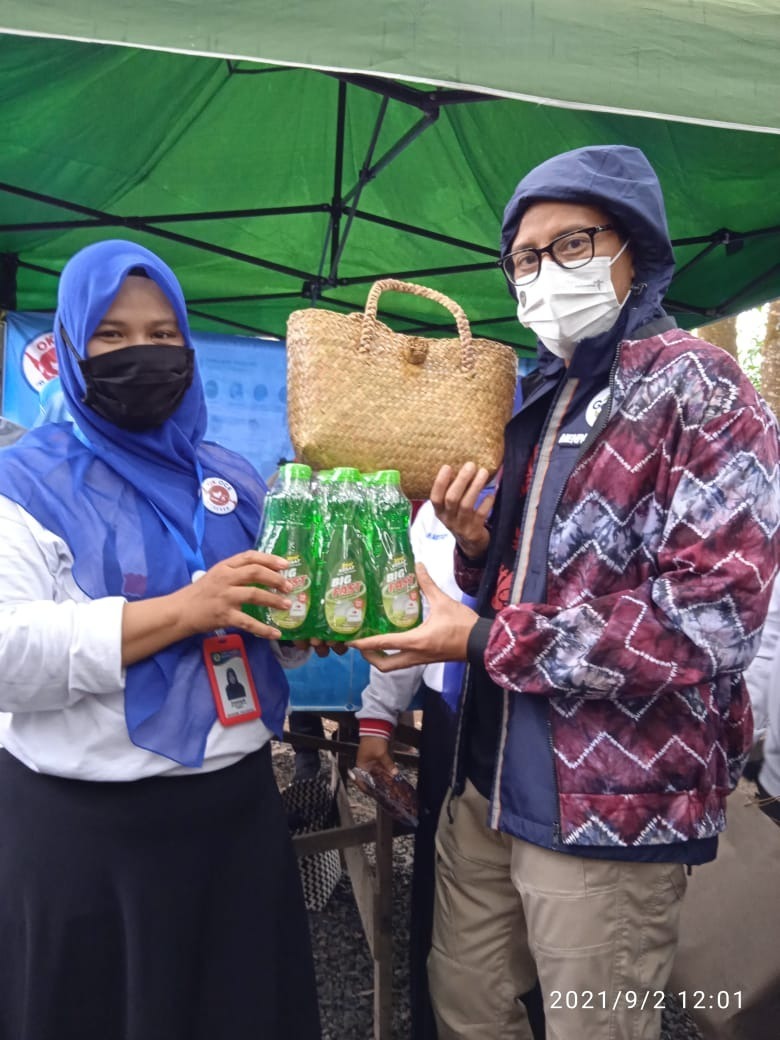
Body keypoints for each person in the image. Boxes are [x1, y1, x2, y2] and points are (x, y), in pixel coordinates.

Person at [351, 144, 780, 1040]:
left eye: (571, 244)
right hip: (486, 783)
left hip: (608, 809)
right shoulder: (535, 397)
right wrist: (477, 551)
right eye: (524, 258)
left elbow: (712, 617)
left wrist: (479, 639)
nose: (545, 272)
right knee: (466, 1007)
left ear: (633, 247)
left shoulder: (700, 387)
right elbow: (537, 578)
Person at [0, 240, 321, 1040]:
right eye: (110, 336)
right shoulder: (23, 482)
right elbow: (8, 653)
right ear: (70, 348)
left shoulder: (230, 477)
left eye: (161, 333)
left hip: (236, 818)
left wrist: (299, 628)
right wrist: (186, 610)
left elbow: (264, 630)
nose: (140, 353)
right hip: (90, 838)